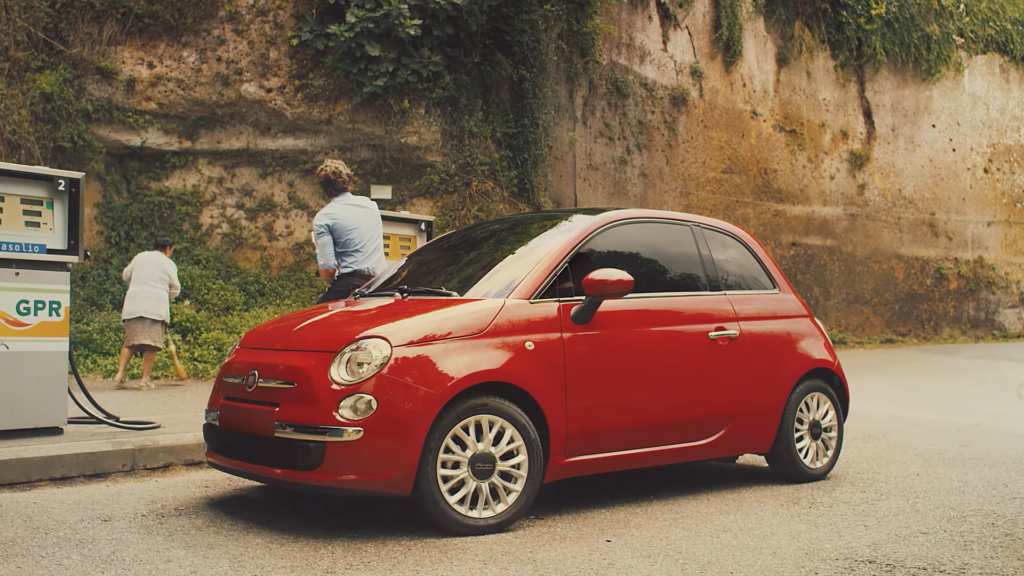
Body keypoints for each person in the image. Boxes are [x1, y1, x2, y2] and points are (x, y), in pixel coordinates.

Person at [312, 158, 386, 304]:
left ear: (324, 188)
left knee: (315, 317)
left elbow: (328, 271)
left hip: (350, 284)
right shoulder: (370, 205)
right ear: (347, 182)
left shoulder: (324, 217)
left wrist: (319, 263)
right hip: (380, 283)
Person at [113, 237, 181, 389]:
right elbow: (176, 288)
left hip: (133, 306)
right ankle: (144, 379)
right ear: (168, 249)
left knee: (129, 343)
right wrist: (167, 297)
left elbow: (125, 276)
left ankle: (120, 374)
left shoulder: (140, 257)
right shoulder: (169, 264)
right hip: (155, 308)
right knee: (152, 345)